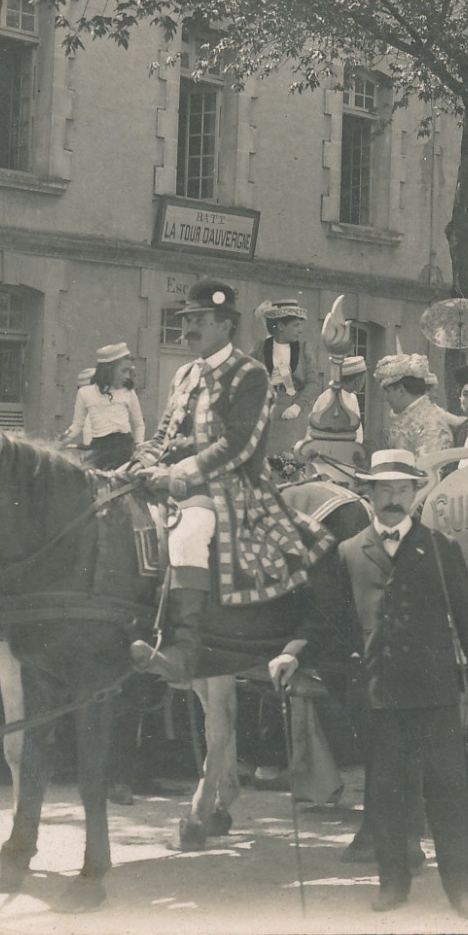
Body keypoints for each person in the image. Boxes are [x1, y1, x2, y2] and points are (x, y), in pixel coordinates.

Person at [269, 449, 468, 919]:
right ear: (368, 494)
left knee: (448, 791)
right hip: (379, 692)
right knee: (385, 791)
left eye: (402, 490)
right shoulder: (348, 551)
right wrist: (292, 651)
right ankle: (393, 884)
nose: (394, 499)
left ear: (415, 494)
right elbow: (325, 615)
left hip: (434, 691)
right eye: (384, 490)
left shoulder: (439, 548)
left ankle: (463, 890)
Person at [126, 279, 333, 685]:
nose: (188, 329)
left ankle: (184, 651)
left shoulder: (250, 374)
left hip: (229, 489)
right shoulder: (184, 374)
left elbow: (239, 445)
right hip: (176, 485)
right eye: (187, 320)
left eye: (198, 320)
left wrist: (178, 472)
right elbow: (163, 433)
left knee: (187, 533)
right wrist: (137, 463)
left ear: (225, 325)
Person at [64, 343, 146, 470]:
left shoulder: (129, 393)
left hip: (124, 448)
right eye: (123, 371)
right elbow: (77, 425)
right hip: (99, 449)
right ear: (109, 369)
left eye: (129, 371)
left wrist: (138, 447)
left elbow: (139, 424)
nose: (127, 376)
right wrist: (61, 441)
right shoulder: (86, 393)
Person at [256, 298, 317, 459]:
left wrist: (297, 407)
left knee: (289, 462)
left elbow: (313, 383)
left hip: (293, 414)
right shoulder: (260, 347)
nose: (301, 330)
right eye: (296, 325)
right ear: (281, 326)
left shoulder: (304, 349)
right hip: (265, 411)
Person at [376, 353, 461, 459]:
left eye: (388, 392)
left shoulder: (432, 424)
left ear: (401, 390)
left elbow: (430, 470)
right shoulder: (408, 416)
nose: (386, 398)